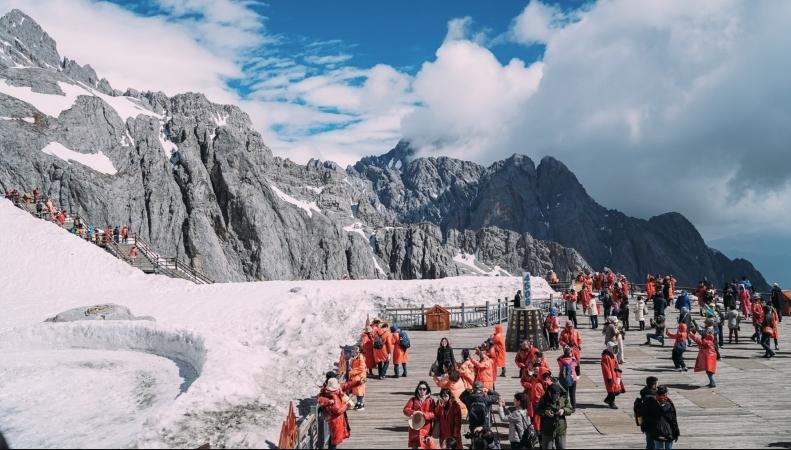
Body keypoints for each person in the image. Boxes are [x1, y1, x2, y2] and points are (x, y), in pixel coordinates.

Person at [319, 376, 362, 449]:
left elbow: (347, 385)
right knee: (334, 440)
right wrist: (345, 405)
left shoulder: (329, 392)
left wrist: (358, 382)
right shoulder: (333, 395)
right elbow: (337, 410)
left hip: (333, 419)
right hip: (335, 420)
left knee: (333, 437)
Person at [536, 382, 573, 449]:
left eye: (557, 395)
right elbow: (538, 410)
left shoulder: (563, 398)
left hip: (560, 428)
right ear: (549, 393)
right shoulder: (544, 399)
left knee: (561, 447)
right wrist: (545, 412)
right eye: (554, 395)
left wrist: (563, 410)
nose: (556, 397)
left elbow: (570, 409)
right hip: (547, 429)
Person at [404, 381, 436, 449]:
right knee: (414, 446)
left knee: (426, 446)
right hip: (414, 427)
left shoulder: (431, 401)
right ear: (417, 390)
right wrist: (413, 412)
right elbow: (405, 410)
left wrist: (424, 415)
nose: (422, 390)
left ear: (427, 390)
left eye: (424, 389)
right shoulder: (413, 400)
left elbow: (434, 414)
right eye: (420, 389)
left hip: (426, 428)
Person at [634, 376, 659, 449]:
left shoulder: (644, 394)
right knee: (652, 443)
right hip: (653, 423)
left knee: (649, 441)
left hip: (645, 423)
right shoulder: (652, 397)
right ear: (654, 385)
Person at [601, 341, 624, 409]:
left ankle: (608, 400)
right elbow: (606, 368)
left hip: (615, 375)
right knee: (611, 391)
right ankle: (612, 403)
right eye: (613, 348)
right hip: (610, 377)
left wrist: (618, 371)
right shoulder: (606, 357)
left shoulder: (613, 355)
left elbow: (616, 364)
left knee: (617, 390)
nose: (615, 350)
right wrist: (609, 377)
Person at [348, 344, 367, 410]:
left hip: (360, 376)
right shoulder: (356, 356)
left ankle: (361, 404)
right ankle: (358, 403)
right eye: (355, 348)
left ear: (359, 349)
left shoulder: (360, 357)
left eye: (356, 348)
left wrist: (352, 372)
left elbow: (361, 368)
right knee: (357, 390)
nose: (355, 350)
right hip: (356, 376)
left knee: (360, 390)